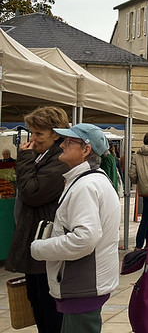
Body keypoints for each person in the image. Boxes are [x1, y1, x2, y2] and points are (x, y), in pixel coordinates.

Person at [30, 123, 120, 333]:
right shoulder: (90, 180)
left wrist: (40, 248)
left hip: (82, 284)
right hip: (85, 283)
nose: (62, 145)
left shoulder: (86, 185)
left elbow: (84, 239)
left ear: (86, 150)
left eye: (69, 142)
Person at [5, 106, 70, 333]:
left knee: (49, 308)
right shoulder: (45, 156)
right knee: (37, 301)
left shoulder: (60, 160)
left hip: (48, 243)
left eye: (39, 134)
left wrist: (24, 158)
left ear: (56, 134)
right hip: (38, 242)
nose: (32, 139)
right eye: (32, 132)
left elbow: (32, 193)